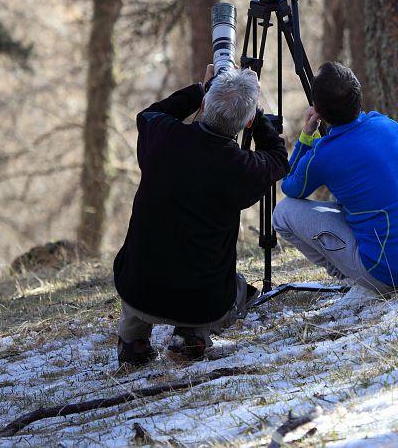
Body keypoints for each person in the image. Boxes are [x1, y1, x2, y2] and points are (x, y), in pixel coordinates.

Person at [113, 64, 288, 365]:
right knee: (239, 289)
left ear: (205, 105)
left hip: (137, 287)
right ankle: (191, 335)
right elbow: (278, 158)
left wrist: (199, 89)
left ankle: (133, 341)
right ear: (245, 122)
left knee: (147, 265)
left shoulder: (161, 137)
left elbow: (149, 115)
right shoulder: (241, 169)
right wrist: (257, 118)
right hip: (201, 302)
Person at [272, 62, 398, 298]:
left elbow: (290, 187)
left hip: (386, 274)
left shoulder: (325, 153)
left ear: (319, 110)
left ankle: (353, 278)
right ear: (358, 95)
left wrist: (307, 135)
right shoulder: (389, 125)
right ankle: (360, 272)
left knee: (283, 213)